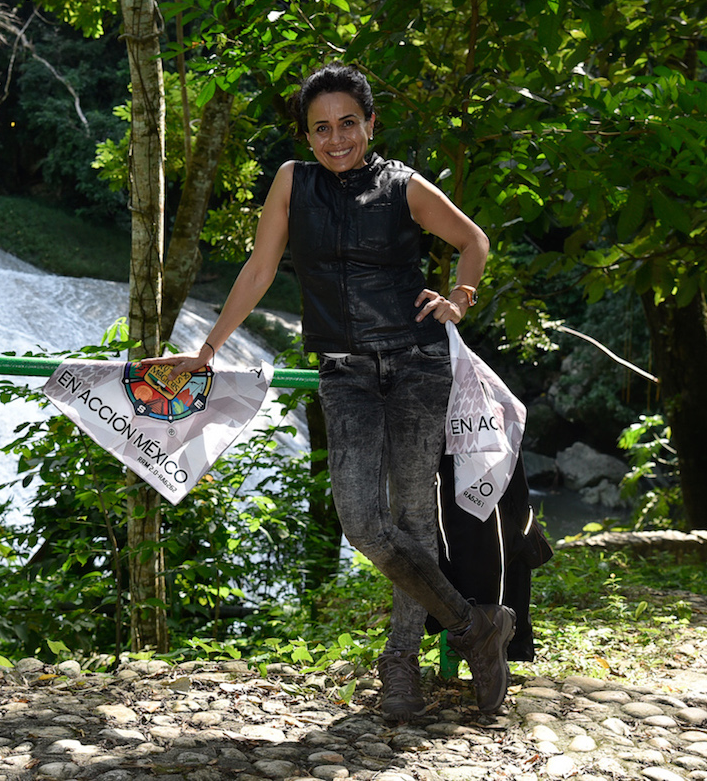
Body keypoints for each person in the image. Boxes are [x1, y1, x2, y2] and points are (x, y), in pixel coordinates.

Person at [148, 63, 514, 721]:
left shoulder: (403, 186)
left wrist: (460, 298)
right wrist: (205, 353)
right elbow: (260, 268)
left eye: (348, 123)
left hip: (416, 365)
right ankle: (473, 623)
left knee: (412, 518)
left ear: (370, 124)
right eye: (321, 127)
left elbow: (473, 240)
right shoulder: (293, 182)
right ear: (306, 135)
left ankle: (400, 665)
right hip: (343, 373)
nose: (335, 137)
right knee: (363, 524)